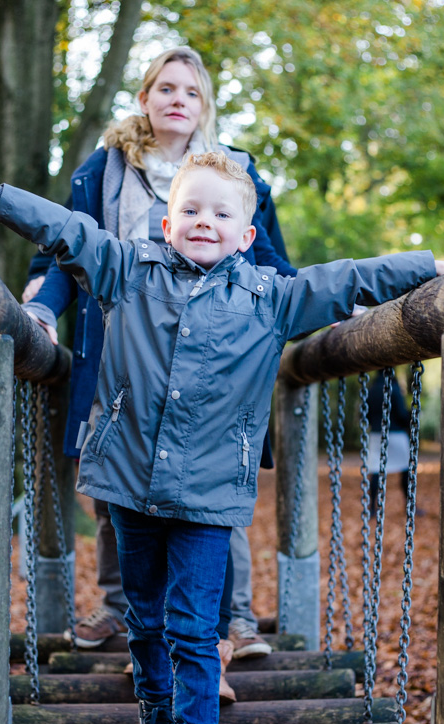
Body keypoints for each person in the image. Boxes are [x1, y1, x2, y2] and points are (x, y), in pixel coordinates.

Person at [0, 150, 444, 724]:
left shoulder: (271, 298)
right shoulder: (127, 271)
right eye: (190, 209)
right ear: (166, 219)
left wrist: (437, 267)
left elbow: (350, 279)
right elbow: (66, 230)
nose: (203, 221)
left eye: (221, 213)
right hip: (127, 486)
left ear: (245, 235)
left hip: (209, 498)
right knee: (143, 619)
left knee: (192, 628)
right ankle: (154, 718)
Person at [23, 47, 286, 660]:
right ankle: (120, 608)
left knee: (217, 490)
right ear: (144, 98)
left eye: (191, 92)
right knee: (116, 486)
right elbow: (69, 252)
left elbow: (273, 266)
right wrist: (40, 306)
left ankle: (235, 621)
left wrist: (337, 308)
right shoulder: (106, 169)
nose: (177, 100)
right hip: (123, 352)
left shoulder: (236, 172)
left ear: (205, 105)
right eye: (165, 88)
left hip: (217, 359)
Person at [367, 369, 411, 517]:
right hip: (396, 433)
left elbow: (366, 415)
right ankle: (409, 504)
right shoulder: (394, 389)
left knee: (375, 471)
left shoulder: (371, 390)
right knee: (405, 470)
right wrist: (411, 416)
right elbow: (401, 414)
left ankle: (372, 507)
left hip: (376, 434)